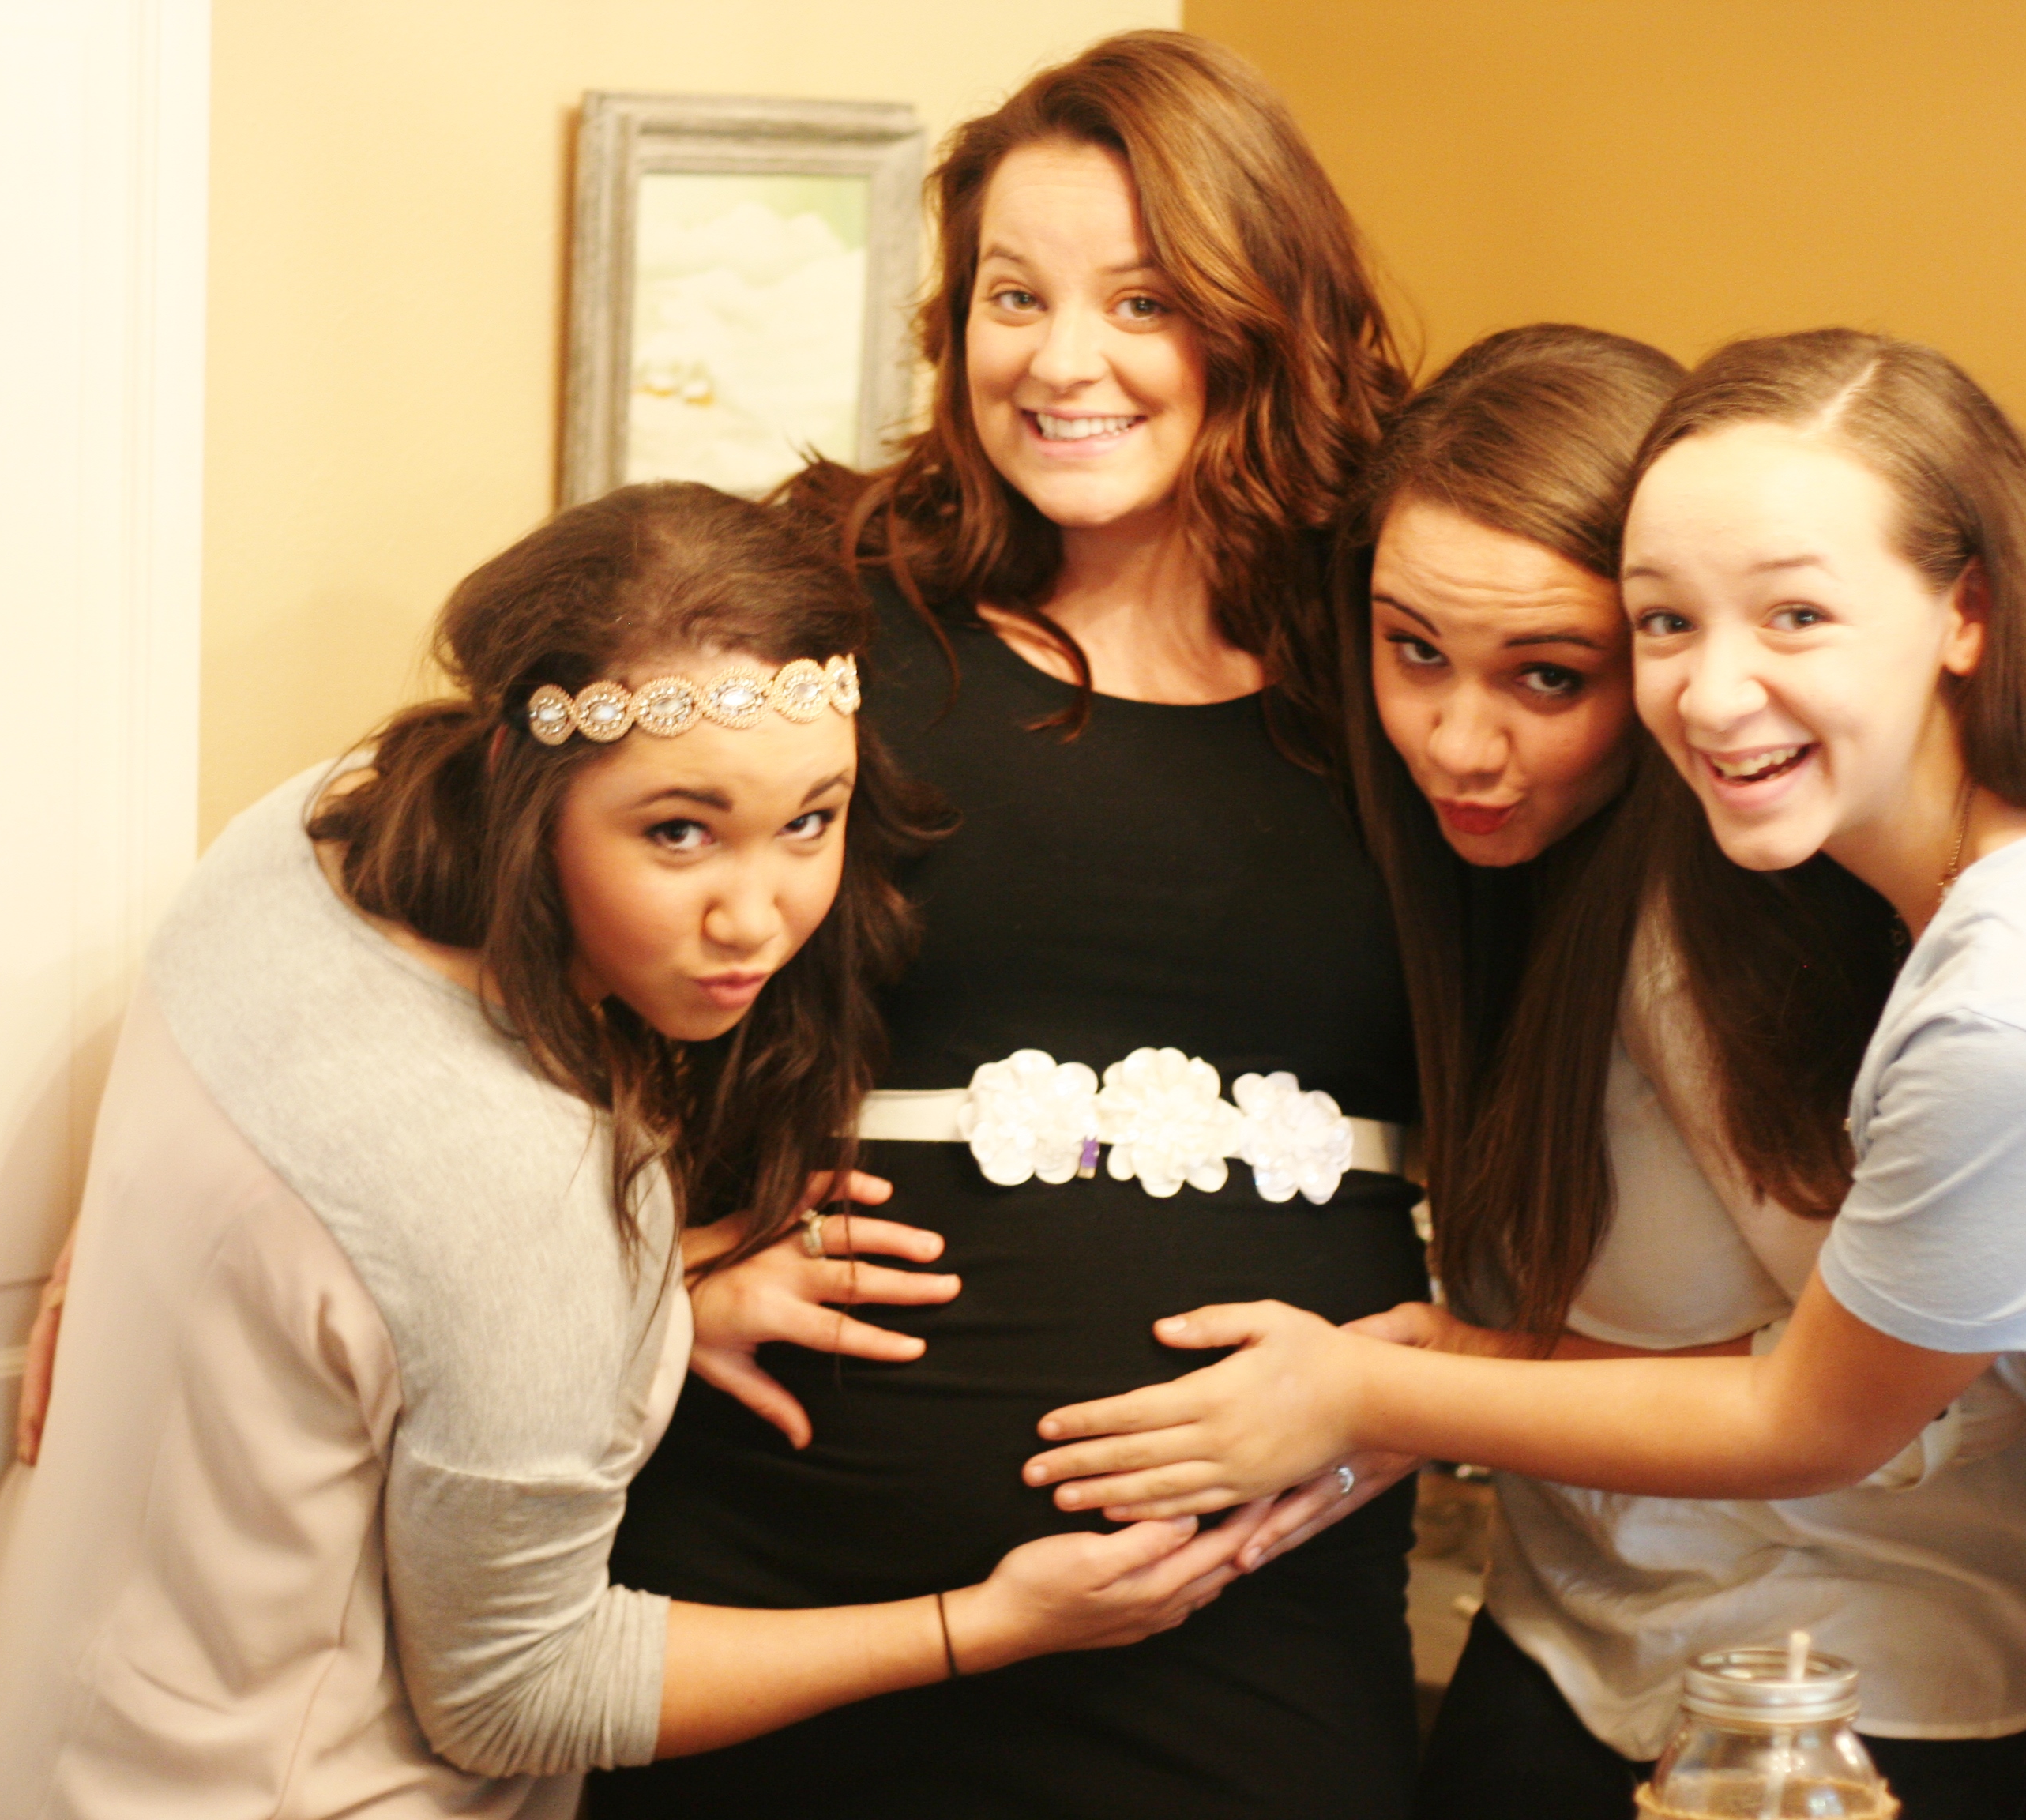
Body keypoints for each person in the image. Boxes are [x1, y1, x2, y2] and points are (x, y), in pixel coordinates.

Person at [1022, 329, 2026, 1820]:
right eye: (1670, 625)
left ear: (1966, 610)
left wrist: (1387, 1389)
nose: (1713, 693)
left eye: (1797, 618)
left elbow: (1831, 1413)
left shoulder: (1987, 986)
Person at [0, 483, 1251, 1820]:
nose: (756, 916)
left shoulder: (296, 845)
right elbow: (514, 1697)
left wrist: (648, 1308)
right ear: (525, 787)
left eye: (811, 820)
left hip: (72, 1739)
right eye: (678, 832)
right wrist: (978, 1625)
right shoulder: (518, 1197)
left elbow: (367, 1279)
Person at [592, 32, 1426, 1820]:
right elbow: (420, 848)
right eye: (1012, 295)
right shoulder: (823, 605)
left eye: (1143, 301)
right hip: (787, 1575)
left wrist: (1415, 1384)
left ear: (1264, 317)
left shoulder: (1406, 664)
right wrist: (657, 1298)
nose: (1060, 362)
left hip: (1247, 1627)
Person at [1329, 322, 2026, 1819]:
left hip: (1888, 1665)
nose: (1459, 742)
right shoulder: (1482, 886)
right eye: (1414, 650)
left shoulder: (1721, 938)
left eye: (1549, 675)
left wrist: (1418, 1381)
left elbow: (1921, 1405)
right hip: (1581, 1631)